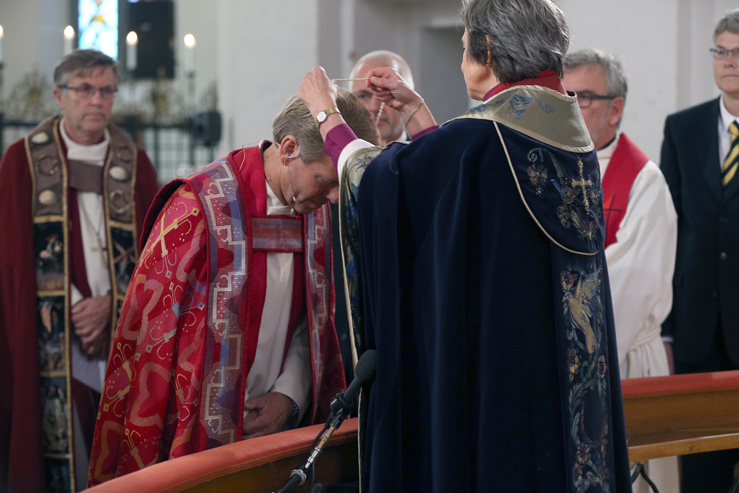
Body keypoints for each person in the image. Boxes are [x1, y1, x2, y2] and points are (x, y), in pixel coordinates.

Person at [299, 0, 632, 491]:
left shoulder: (485, 135)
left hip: (503, 384)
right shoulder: (566, 130)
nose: (460, 60)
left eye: (462, 47)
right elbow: (464, 201)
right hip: (560, 372)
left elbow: (382, 184)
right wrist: (415, 110)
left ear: (488, 48)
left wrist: (326, 113)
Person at [86, 88, 378, 486]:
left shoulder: (312, 209)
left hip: (277, 434)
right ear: (289, 149)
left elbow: (312, 321)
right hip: (197, 443)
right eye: (325, 181)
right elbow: (154, 347)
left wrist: (289, 398)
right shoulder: (197, 208)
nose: (332, 198)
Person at [0, 49, 159, 493]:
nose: (96, 101)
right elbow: (10, 255)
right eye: (84, 89)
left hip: (119, 327)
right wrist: (73, 307)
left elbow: (159, 254)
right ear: (59, 95)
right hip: (50, 331)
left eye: (106, 90)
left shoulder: (134, 164)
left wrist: (113, 306)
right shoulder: (22, 161)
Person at [563, 48, 678, 493]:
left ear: (616, 108)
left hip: (621, 359)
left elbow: (630, 283)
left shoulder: (645, 182)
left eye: (584, 97)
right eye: (563, 95)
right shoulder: (549, 169)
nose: (571, 107)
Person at [660, 8, 739, 491]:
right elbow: (671, 230)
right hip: (696, 333)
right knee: (702, 475)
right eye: (721, 52)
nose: (729, 62)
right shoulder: (681, 128)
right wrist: (666, 331)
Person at [334, 50, 417, 380]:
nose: (371, 106)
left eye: (383, 93)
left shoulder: (428, 162)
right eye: (363, 95)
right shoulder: (331, 169)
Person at [350, 50, 416, 145]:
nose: (374, 108)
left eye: (387, 95)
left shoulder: (427, 157)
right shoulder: (335, 158)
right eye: (363, 96)